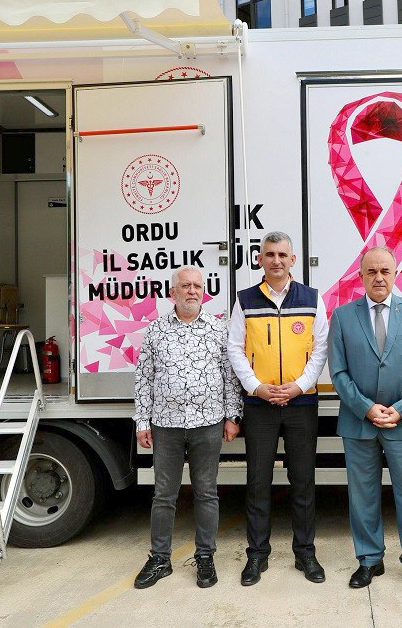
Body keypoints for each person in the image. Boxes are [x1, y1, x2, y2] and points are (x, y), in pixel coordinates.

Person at [328, 246, 402, 594]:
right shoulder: (342, 317)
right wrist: (366, 408)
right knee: (363, 496)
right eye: (371, 271)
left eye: (385, 271)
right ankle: (369, 559)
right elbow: (339, 372)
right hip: (359, 421)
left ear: (395, 275)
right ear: (360, 276)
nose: (378, 277)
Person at [226, 231, 329, 585]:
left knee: (303, 481)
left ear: (292, 260)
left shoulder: (312, 299)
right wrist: (257, 387)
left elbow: (320, 348)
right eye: (269, 254)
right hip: (260, 405)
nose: (276, 260)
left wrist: (298, 386)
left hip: (302, 403)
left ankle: (305, 554)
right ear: (259, 259)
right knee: (258, 482)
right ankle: (257, 555)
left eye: (282, 255)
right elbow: (235, 348)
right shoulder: (245, 300)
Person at [132, 266, 242, 589]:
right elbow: (144, 378)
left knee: (206, 492)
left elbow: (230, 376)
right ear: (173, 293)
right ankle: (160, 559)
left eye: (197, 286)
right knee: (164, 495)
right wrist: (142, 421)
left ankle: (205, 557)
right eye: (185, 286)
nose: (192, 291)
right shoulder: (155, 331)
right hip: (165, 425)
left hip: (208, 424)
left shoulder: (218, 329)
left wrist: (233, 417)